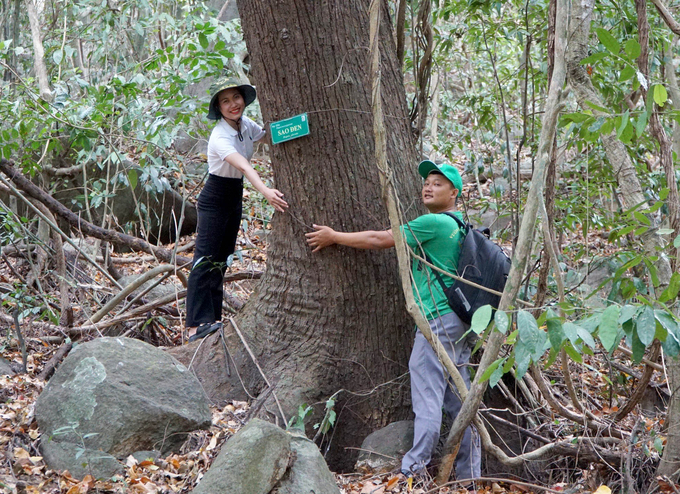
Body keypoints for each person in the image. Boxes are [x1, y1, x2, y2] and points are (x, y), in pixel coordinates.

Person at [305, 160, 481, 481]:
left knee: (427, 395)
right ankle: (470, 476)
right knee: (459, 400)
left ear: (454, 193)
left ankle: (412, 472)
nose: (428, 187)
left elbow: (380, 239)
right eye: (427, 182)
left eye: (438, 184)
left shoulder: (438, 223)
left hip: (437, 321)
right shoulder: (459, 227)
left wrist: (334, 236)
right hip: (459, 321)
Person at [185, 77, 288, 342]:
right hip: (215, 196)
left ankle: (212, 319)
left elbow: (266, 136)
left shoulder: (244, 124)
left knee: (221, 259)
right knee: (204, 258)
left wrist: (295, 125)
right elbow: (243, 165)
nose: (233, 104)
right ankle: (195, 326)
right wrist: (265, 191)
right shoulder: (220, 135)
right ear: (218, 108)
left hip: (233, 196)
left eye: (236, 98)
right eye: (226, 101)